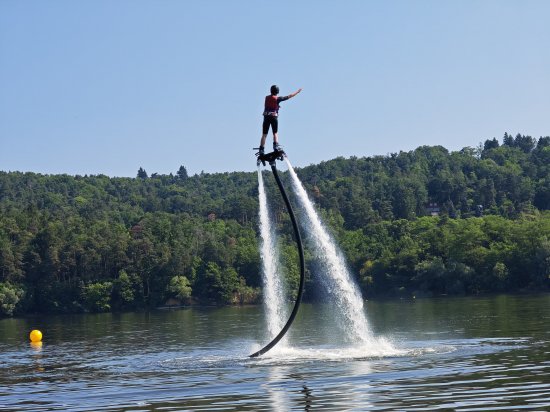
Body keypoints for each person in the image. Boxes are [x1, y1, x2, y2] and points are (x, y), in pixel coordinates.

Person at [258, 85, 302, 155]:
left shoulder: (266, 98)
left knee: (264, 134)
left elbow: (267, 106)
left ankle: (261, 149)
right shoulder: (278, 99)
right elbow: (289, 96)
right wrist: (297, 92)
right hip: (273, 117)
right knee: (275, 133)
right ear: (277, 91)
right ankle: (275, 146)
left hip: (266, 117)